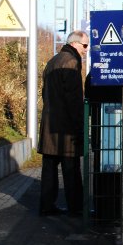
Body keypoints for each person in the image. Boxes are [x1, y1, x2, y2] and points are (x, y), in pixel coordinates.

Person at [37, 30, 88, 216]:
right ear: (75, 44)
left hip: (49, 125)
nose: (86, 50)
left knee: (49, 168)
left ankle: (46, 206)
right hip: (65, 128)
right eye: (85, 46)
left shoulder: (53, 61)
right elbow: (74, 99)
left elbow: (44, 93)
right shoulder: (71, 62)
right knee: (71, 169)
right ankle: (75, 207)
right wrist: (79, 126)